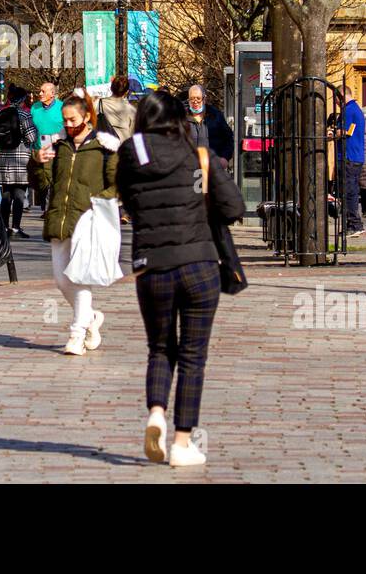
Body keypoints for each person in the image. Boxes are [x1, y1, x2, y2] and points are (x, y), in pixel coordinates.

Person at [117, 90, 244, 467]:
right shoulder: (198, 154)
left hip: (151, 265)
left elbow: (126, 198)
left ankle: (156, 413)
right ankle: (182, 442)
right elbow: (234, 206)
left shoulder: (132, 152)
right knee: (192, 356)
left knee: (159, 348)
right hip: (199, 265)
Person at [34, 95, 119, 355]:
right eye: (65, 120)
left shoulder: (105, 149)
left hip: (88, 221)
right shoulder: (60, 147)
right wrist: (37, 163)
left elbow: (118, 184)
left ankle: (76, 334)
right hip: (60, 218)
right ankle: (91, 318)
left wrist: (97, 203)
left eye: (73, 119)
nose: (68, 125)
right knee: (62, 280)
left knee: (80, 278)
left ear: (86, 117)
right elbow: (43, 183)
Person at [0, 85, 38, 238]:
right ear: (23, 99)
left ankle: (3, 228)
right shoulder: (25, 115)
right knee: (19, 194)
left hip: (4, 158)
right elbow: (32, 138)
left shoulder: (0, 113)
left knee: (6, 194)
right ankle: (16, 228)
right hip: (21, 158)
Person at [185, 85, 235, 166]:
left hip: (212, 167)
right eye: (192, 99)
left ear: (204, 99)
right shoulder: (181, 118)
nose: (195, 102)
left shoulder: (216, 116)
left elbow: (229, 139)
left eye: (198, 98)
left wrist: (225, 158)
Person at [340, 87, 365, 236]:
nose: (336, 103)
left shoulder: (349, 110)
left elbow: (346, 131)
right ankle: (353, 224)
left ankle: (354, 224)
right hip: (355, 156)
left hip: (349, 156)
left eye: (337, 99)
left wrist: (331, 132)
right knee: (351, 191)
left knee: (349, 192)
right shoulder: (355, 108)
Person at [98, 74, 137, 140]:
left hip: (103, 145)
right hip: (123, 146)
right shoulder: (131, 110)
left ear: (111, 88)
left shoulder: (98, 104)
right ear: (127, 92)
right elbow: (133, 134)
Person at [30, 81, 64, 147]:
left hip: (58, 150)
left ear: (52, 94)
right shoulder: (34, 107)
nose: (40, 94)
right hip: (39, 150)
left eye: (43, 91)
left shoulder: (63, 107)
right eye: (40, 91)